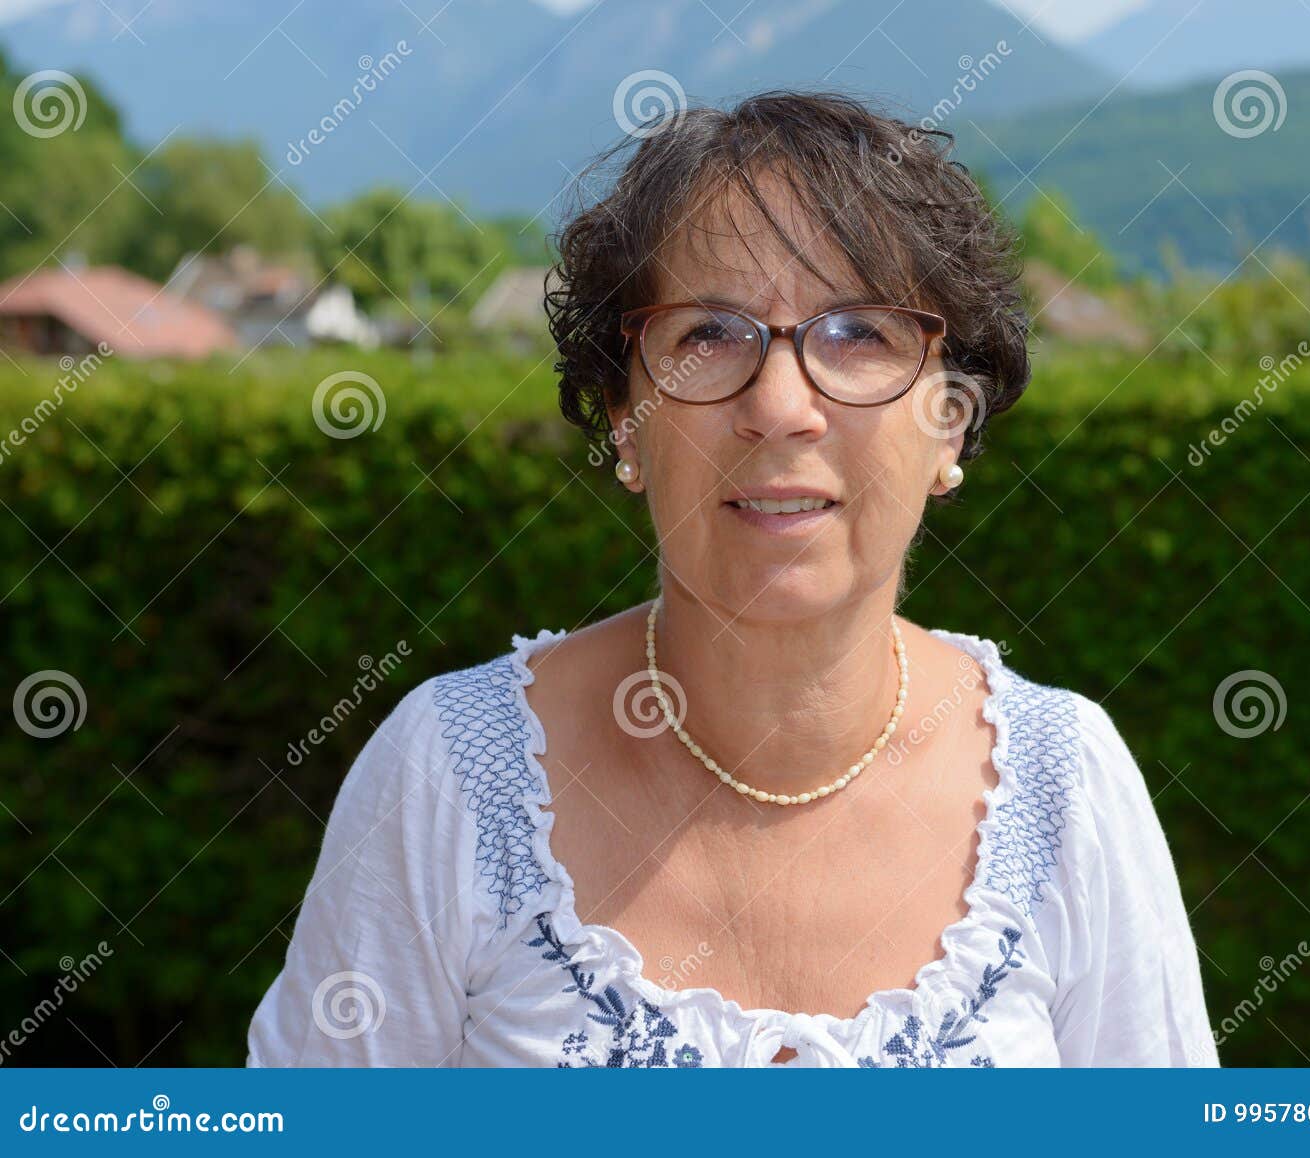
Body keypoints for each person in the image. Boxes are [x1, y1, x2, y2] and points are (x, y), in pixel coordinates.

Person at [246, 90, 1218, 1068]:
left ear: (951, 420)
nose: (781, 407)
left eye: (860, 333)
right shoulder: (448, 782)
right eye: (708, 333)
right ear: (623, 417)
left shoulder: (1066, 791)